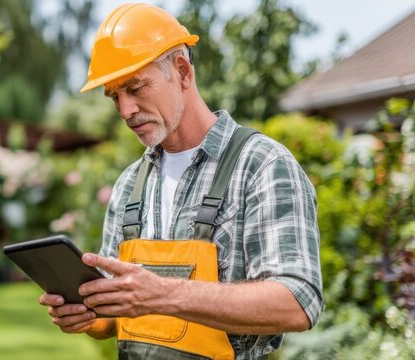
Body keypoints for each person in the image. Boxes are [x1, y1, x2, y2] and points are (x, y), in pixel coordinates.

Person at [39, 3, 322, 359]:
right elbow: (120, 312)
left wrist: (164, 294)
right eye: (115, 96)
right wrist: (90, 316)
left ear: (183, 71)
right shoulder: (130, 184)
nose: (125, 110)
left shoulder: (262, 165)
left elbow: (299, 301)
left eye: (136, 87)